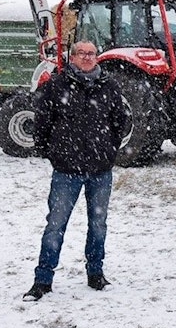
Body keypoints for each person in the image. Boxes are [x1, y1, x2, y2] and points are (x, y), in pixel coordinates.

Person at [23, 41, 131, 302]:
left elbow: (121, 121)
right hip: (66, 170)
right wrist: (53, 153)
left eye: (91, 53)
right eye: (81, 53)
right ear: (72, 58)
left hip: (100, 170)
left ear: (97, 57)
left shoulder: (109, 86)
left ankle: (95, 274)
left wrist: (108, 150)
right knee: (55, 224)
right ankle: (43, 280)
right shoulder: (56, 85)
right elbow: (42, 122)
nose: (86, 57)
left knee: (98, 224)